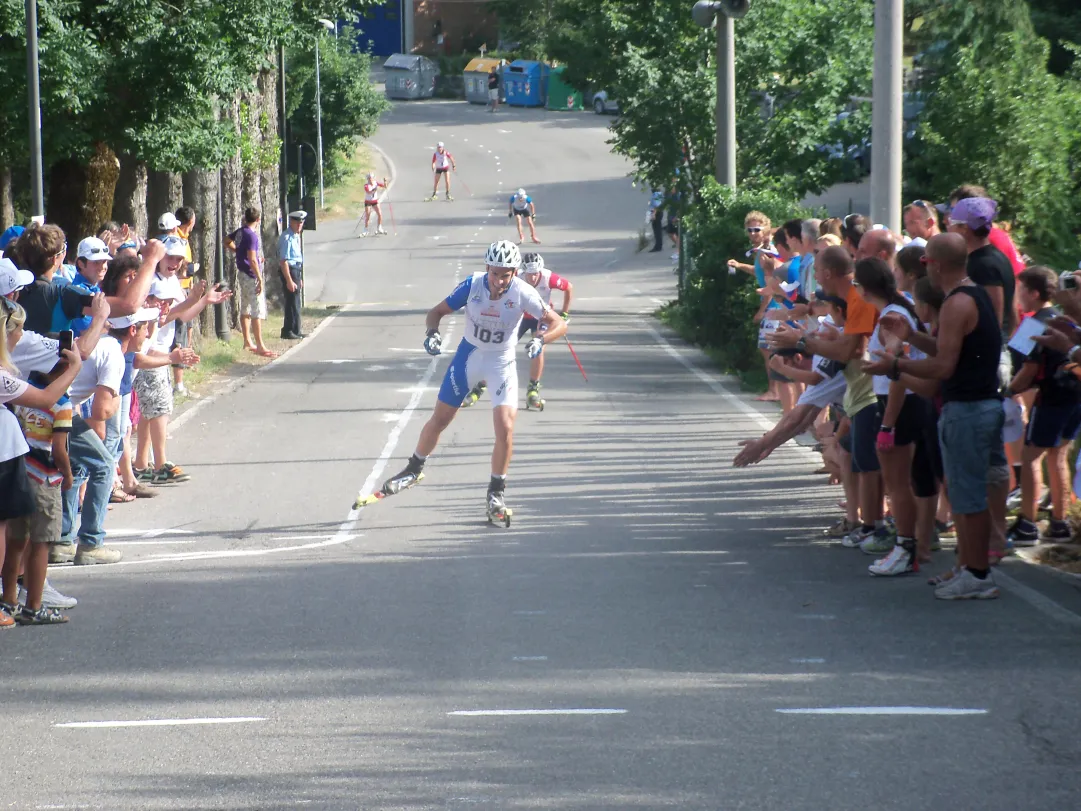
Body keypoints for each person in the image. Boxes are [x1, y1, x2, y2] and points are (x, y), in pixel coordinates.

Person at [368, 240, 568, 521]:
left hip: (501, 362)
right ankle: (414, 468)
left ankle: (496, 492)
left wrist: (540, 339)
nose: (499, 280)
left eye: (505, 275)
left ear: (514, 273)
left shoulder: (524, 292)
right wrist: (432, 333)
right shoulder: (472, 285)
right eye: (494, 273)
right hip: (469, 356)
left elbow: (559, 323)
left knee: (506, 428)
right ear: (487, 268)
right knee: (440, 419)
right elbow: (436, 312)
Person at [867, 233, 1006, 600]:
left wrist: (894, 363)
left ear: (935, 264)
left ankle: (977, 575)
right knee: (962, 495)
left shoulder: (957, 303)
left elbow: (944, 366)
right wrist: (912, 335)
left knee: (968, 497)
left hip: (968, 409)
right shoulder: (968, 295)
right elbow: (950, 352)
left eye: (926, 260)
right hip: (972, 407)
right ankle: (969, 567)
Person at [769, 247, 886, 550]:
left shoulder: (858, 300)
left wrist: (803, 341)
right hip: (863, 396)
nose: (813, 275)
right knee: (856, 460)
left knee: (871, 467)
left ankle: (877, 527)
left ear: (827, 273)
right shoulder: (852, 301)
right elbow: (848, 348)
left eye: (817, 268)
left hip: (874, 395)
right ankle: (867, 523)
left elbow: (852, 352)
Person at [0, 299, 83, 626]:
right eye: (17, 329)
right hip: (43, 476)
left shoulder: (20, 392)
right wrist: (67, 472)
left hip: (24, 469)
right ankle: (34, 603)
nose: (20, 335)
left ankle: (8, 601)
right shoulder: (60, 404)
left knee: (14, 540)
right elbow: (60, 447)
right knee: (42, 542)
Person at [61, 307, 161, 565]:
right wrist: (119, 407)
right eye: (144, 328)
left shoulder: (104, 343)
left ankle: (61, 540)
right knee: (105, 466)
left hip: (58, 408)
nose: (148, 334)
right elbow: (102, 410)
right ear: (131, 330)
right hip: (59, 411)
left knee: (78, 466)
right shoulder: (115, 353)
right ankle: (91, 543)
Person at [1004, 267, 1079, 545]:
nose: (1018, 296)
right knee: (1057, 457)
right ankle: (1060, 522)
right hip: (1074, 394)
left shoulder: (1034, 323)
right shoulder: (1066, 318)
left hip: (1050, 396)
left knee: (1029, 456)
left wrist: (1007, 391)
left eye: (1020, 290)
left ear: (1034, 293)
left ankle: (1027, 525)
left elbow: (1026, 368)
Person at [461, 252, 572, 410]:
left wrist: (564, 313)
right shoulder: (515, 276)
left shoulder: (548, 277)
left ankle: (533, 388)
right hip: (520, 316)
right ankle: (480, 386)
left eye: (535, 274)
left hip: (541, 317)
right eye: (529, 274)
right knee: (497, 348)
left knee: (538, 349)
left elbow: (569, 288)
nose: (533, 278)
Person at [230, 207, 275, 358]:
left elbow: (226, 240)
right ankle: (260, 345)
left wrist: (237, 251)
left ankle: (247, 340)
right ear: (258, 220)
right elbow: (252, 259)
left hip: (242, 274)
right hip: (250, 275)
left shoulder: (241, 232)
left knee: (245, 307)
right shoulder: (252, 236)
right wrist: (260, 278)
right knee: (257, 309)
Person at [172, 206, 197, 396]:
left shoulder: (184, 238)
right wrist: (193, 268)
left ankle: (186, 363)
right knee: (179, 332)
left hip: (186, 287)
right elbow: (184, 268)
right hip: (180, 287)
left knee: (187, 327)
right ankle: (178, 384)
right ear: (190, 221)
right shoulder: (178, 239)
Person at [278, 211, 306, 339]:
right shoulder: (287, 238)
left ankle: (296, 329)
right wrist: (289, 280)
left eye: (301, 222)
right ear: (291, 222)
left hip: (296, 270)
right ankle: (288, 330)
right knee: (291, 302)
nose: (300, 225)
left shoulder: (295, 236)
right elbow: (283, 261)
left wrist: (299, 278)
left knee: (296, 302)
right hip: (289, 270)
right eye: (297, 222)